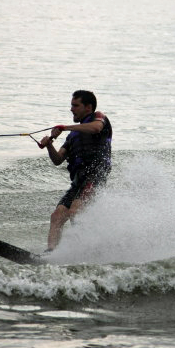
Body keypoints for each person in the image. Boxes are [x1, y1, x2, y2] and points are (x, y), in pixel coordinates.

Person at [38, 90, 112, 251]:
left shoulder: (99, 117)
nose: (71, 109)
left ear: (88, 107)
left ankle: (87, 249)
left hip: (96, 175)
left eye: (75, 105)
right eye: (71, 105)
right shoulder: (73, 136)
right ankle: (51, 254)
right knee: (57, 216)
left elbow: (96, 128)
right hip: (78, 181)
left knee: (76, 210)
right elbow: (58, 159)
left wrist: (64, 127)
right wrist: (49, 145)